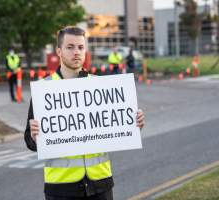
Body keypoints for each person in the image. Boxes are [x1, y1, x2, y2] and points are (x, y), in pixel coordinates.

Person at [24, 26, 145, 200]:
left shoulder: (101, 86)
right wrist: (35, 138)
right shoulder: (44, 91)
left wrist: (134, 123)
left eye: (80, 47)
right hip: (61, 189)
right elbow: (29, 139)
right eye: (70, 47)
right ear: (59, 51)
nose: (76, 52)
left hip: (100, 185)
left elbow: (115, 128)